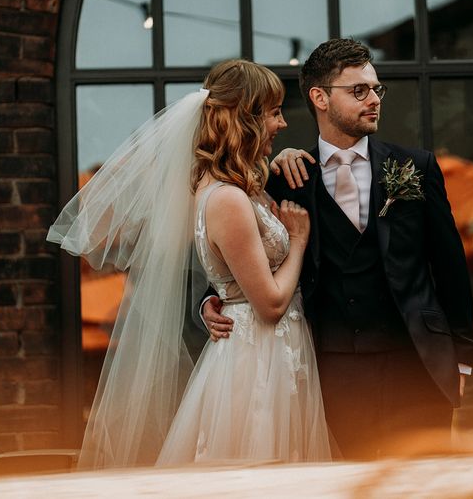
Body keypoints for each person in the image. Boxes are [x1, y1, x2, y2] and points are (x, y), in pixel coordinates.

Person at [48, 59, 330, 468]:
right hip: (256, 358)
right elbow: (269, 305)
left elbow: (224, 269)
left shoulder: (235, 187)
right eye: (274, 113)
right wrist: (298, 241)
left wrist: (211, 298)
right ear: (245, 119)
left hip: (276, 350)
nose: (282, 123)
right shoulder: (228, 199)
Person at [203, 39, 473, 460]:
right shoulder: (286, 178)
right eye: (359, 91)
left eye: (376, 89)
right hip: (332, 376)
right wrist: (211, 300)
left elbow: (450, 266)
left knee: (425, 484)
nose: (374, 100)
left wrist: (461, 359)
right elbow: (239, 250)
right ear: (320, 98)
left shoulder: (416, 167)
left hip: (418, 366)